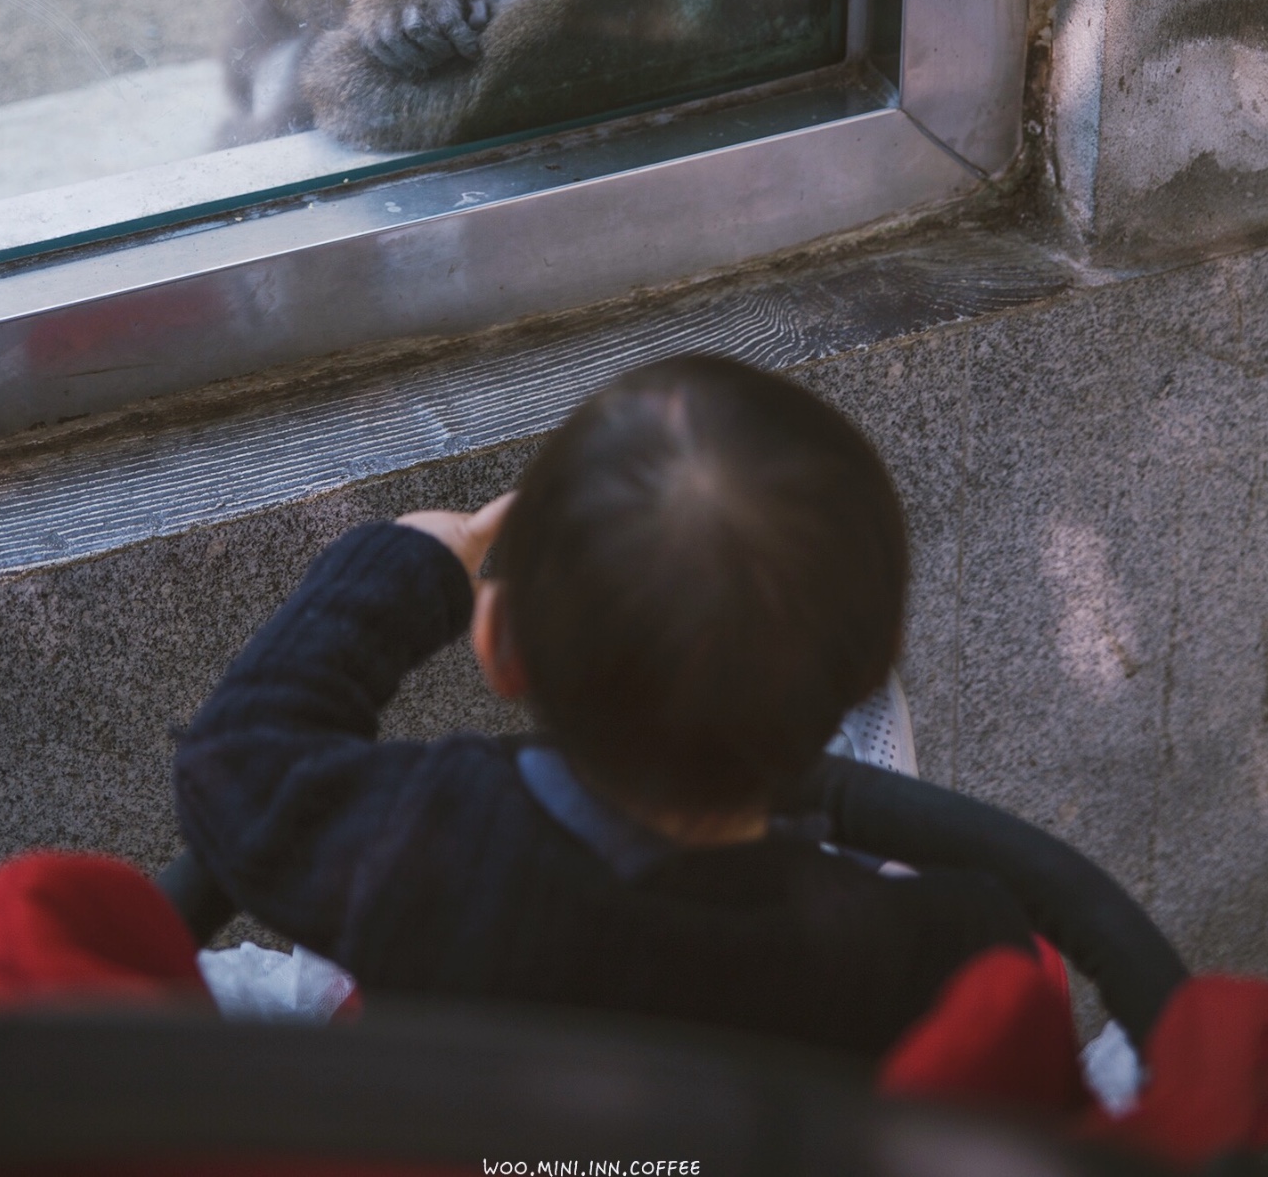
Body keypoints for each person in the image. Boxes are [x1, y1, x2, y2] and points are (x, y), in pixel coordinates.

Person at [174, 356, 1033, 1055]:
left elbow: (238, 758)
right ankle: (844, 804)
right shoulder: (930, 947)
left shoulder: (416, 846)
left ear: (499, 647)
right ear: (865, 665)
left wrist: (410, 561)